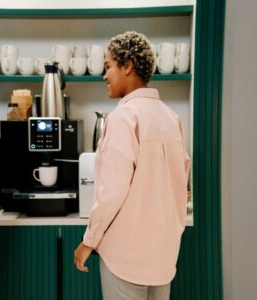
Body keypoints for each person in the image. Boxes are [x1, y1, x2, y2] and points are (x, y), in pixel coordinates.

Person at [74, 31, 190, 300]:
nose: (104, 76)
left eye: (108, 66)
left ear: (127, 66)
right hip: (163, 256)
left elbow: (111, 192)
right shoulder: (172, 119)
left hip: (125, 257)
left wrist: (88, 242)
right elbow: (180, 189)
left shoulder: (123, 118)